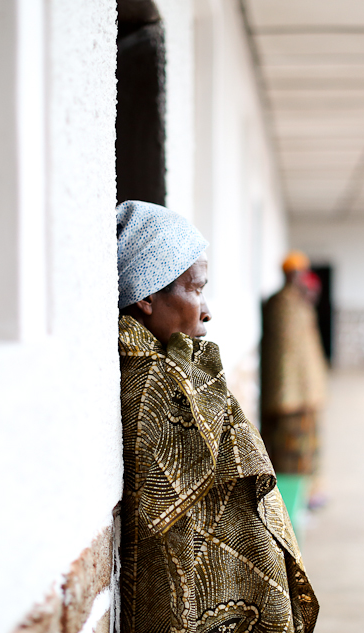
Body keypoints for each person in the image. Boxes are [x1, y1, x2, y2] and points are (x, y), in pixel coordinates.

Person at [116, 201, 318, 633]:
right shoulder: (156, 383)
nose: (205, 310)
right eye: (195, 290)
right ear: (148, 296)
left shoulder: (169, 368)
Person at [259, 251, 328, 533]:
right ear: (292, 274)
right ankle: (289, 509)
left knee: (307, 452)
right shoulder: (282, 304)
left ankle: (307, 497)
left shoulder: (298, 303)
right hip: (289, 397)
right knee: (290, 455)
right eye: (300, 273)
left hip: (304, 394)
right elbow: (288, 355)